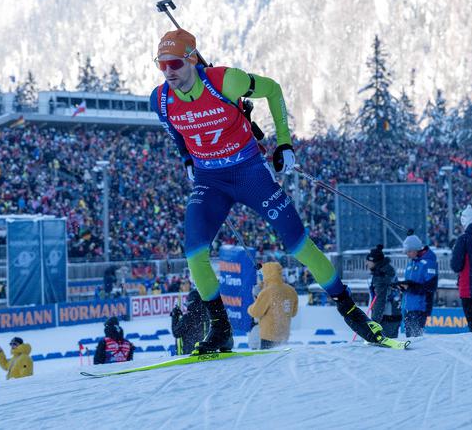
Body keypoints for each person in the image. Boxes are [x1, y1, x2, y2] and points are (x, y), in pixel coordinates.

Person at [150, 28, 392, 352]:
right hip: (210, 180)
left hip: (249, 171)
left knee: (300, 245)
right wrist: (186, 159)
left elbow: (273, 90)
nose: (168, 72)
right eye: (161, 65)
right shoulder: (160, 100)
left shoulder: (225, 81)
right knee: (194, 253)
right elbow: (177, 133)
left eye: (175, 64)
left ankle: (352, 313)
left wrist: (284, 144)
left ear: (192, 59)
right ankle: (220, 330)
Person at [247, 262, 298, 349]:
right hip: (283, 335)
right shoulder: (291, 290)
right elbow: (293, 313)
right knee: (280, 361)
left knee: (267, 361)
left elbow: (256, 312)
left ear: (267, 274)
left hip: (269, 335)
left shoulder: (267, 292)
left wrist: (250, 308)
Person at [399, 235, 438, 338]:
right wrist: (402, 287)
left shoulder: (428, 263)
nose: (407, 254)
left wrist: (410, 288)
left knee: (415, 340)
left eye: (409, 251)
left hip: (420, 307)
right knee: (409, 338)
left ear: (416, 249)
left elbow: (430, 287)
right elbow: (411, 283)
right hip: (408, 307)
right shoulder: (411, 264)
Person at [365, 244, 402, 339]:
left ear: (374, 261)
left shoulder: (380, 276)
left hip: (386, 318)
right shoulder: (388, 271)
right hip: (394, 315)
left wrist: (374, 322)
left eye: (368, 261)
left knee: (384, 349)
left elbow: (380, 300)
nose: (366, 263)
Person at [171, 290, 209, 354]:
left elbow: (176, 333)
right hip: (207, 353)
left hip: (191, 355)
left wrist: (175, 317)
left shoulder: (188, 317)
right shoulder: (208, 315)